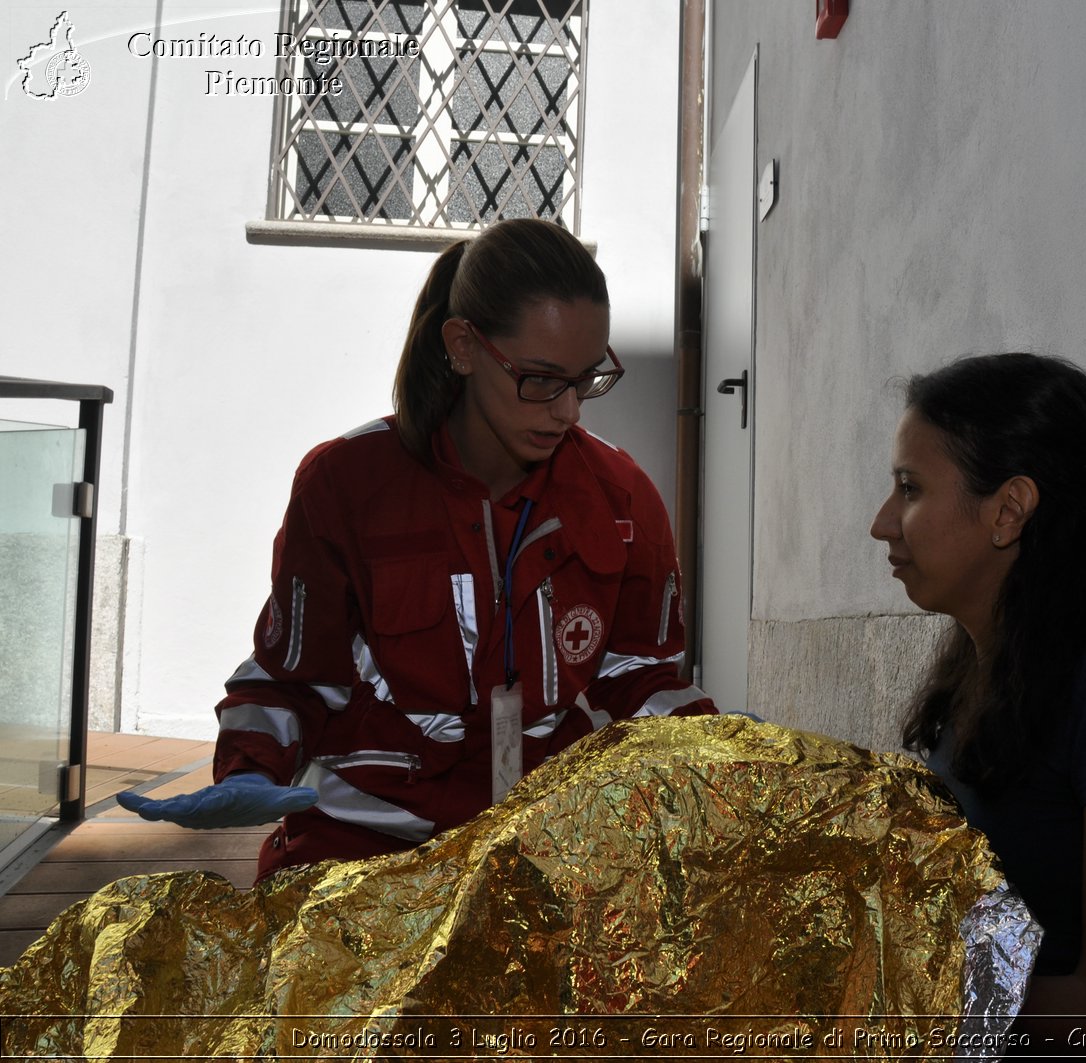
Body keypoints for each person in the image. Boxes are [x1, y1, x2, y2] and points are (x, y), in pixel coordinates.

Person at [120, 218, 716, 879]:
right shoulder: (347, 483)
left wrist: (728, 756)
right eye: (542, 379)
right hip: (359, 847)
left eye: (588, 378)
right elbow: (294, 678)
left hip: (538, 847)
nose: (569, 411)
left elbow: (642, 682)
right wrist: (251, 770)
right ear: (462, 345)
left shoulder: (624, 498)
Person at [868, 352, 1086, 1049]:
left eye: (910, 488)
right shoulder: (980, 665)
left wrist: (898, 984)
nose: (883, 523)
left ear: (1008, 510)